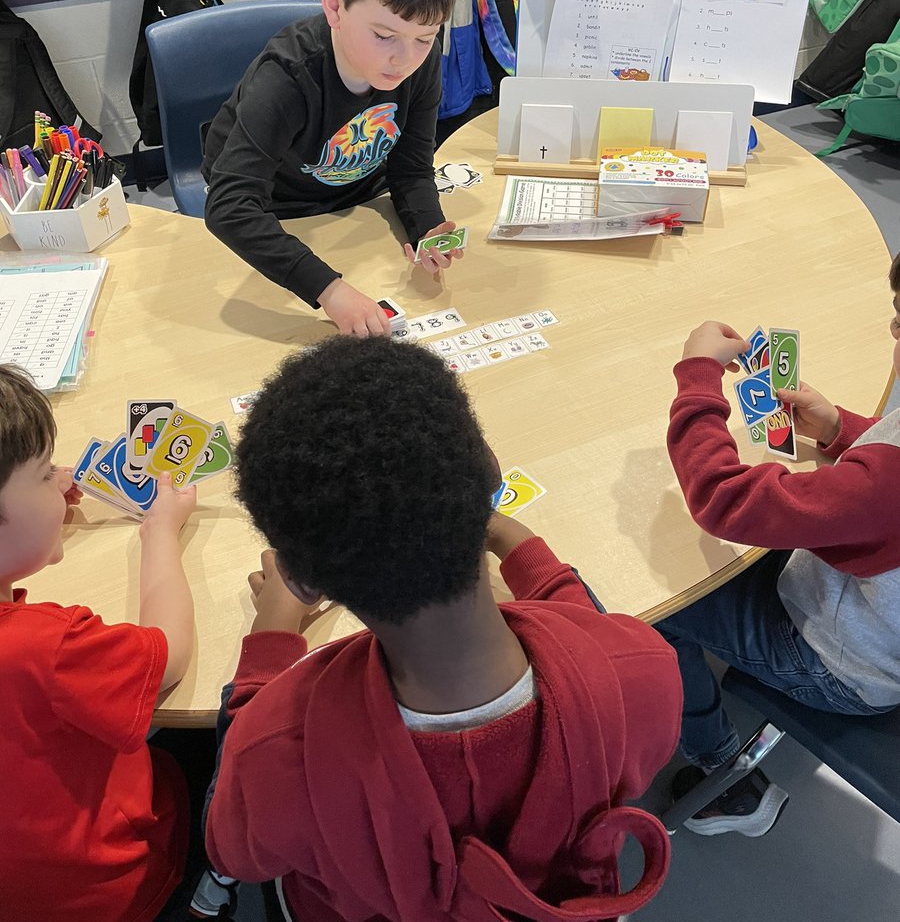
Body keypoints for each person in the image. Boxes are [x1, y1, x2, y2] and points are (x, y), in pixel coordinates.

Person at [205, 337, 683, 922]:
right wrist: (517, 542)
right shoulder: (643, 669)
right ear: (489, 470)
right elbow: (582, 636)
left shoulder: (277, 749)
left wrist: (272, 637)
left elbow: (229, 836)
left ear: (302, 576)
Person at [659, 251, 900, 837]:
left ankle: (727, 775)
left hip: (844, 668)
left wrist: (696, 376)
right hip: (875, 626)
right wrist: (844, 431)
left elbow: (722, 498)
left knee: (661, 607)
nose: (893, 328)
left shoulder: (887, 488)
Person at [202, 0, 465, 339]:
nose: (404, 59)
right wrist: (329, 290)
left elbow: (411, 168)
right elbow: (230, 206)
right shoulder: (287, 76)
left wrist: (425, 229)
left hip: (356, 201)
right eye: (383, 35)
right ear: (334, 7)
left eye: (425, 37)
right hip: (279, 210)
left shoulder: (421, 62)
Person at [0, 363, 205, 921]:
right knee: (221, 742)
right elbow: (169, 653)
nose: (66, 475)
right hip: (109, 889)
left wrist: (35, 516)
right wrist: (159, 531)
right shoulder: (49, 647)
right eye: (45, 474)